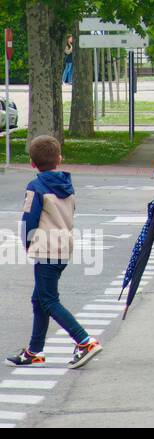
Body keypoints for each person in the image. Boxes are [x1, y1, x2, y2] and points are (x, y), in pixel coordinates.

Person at [6, 135, 102, 369]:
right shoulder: (68, 186)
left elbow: (29, 219)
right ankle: (34, 350)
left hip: (46, 248)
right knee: (39, 299)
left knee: (48, 301)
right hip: (64, 246)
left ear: (31, 163)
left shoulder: (35, 187)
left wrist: (28, 244)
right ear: (59, 159)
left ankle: (84, 341)